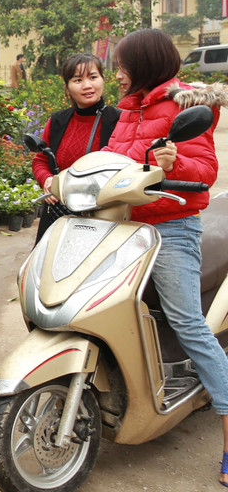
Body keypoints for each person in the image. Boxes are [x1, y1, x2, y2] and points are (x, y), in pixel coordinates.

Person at [103, 28, 228, 487]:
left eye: (122, 65)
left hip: (171, 227)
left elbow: (206, 170)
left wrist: (176, 162)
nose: (116, 73)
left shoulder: (186, 105)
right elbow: (111, 162)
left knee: (188, 324)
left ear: (145, 64)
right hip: (121, 225)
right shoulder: (128, 110)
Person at [31, 53, 121, 242]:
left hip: (103, 217)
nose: (87, 85)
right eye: (78, 80)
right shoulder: (58, 121)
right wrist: (47, 181)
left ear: (103, 80)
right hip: (59, 214)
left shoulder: (118, 120)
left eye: (93, 77)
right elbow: (40, 159)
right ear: (67, 87)